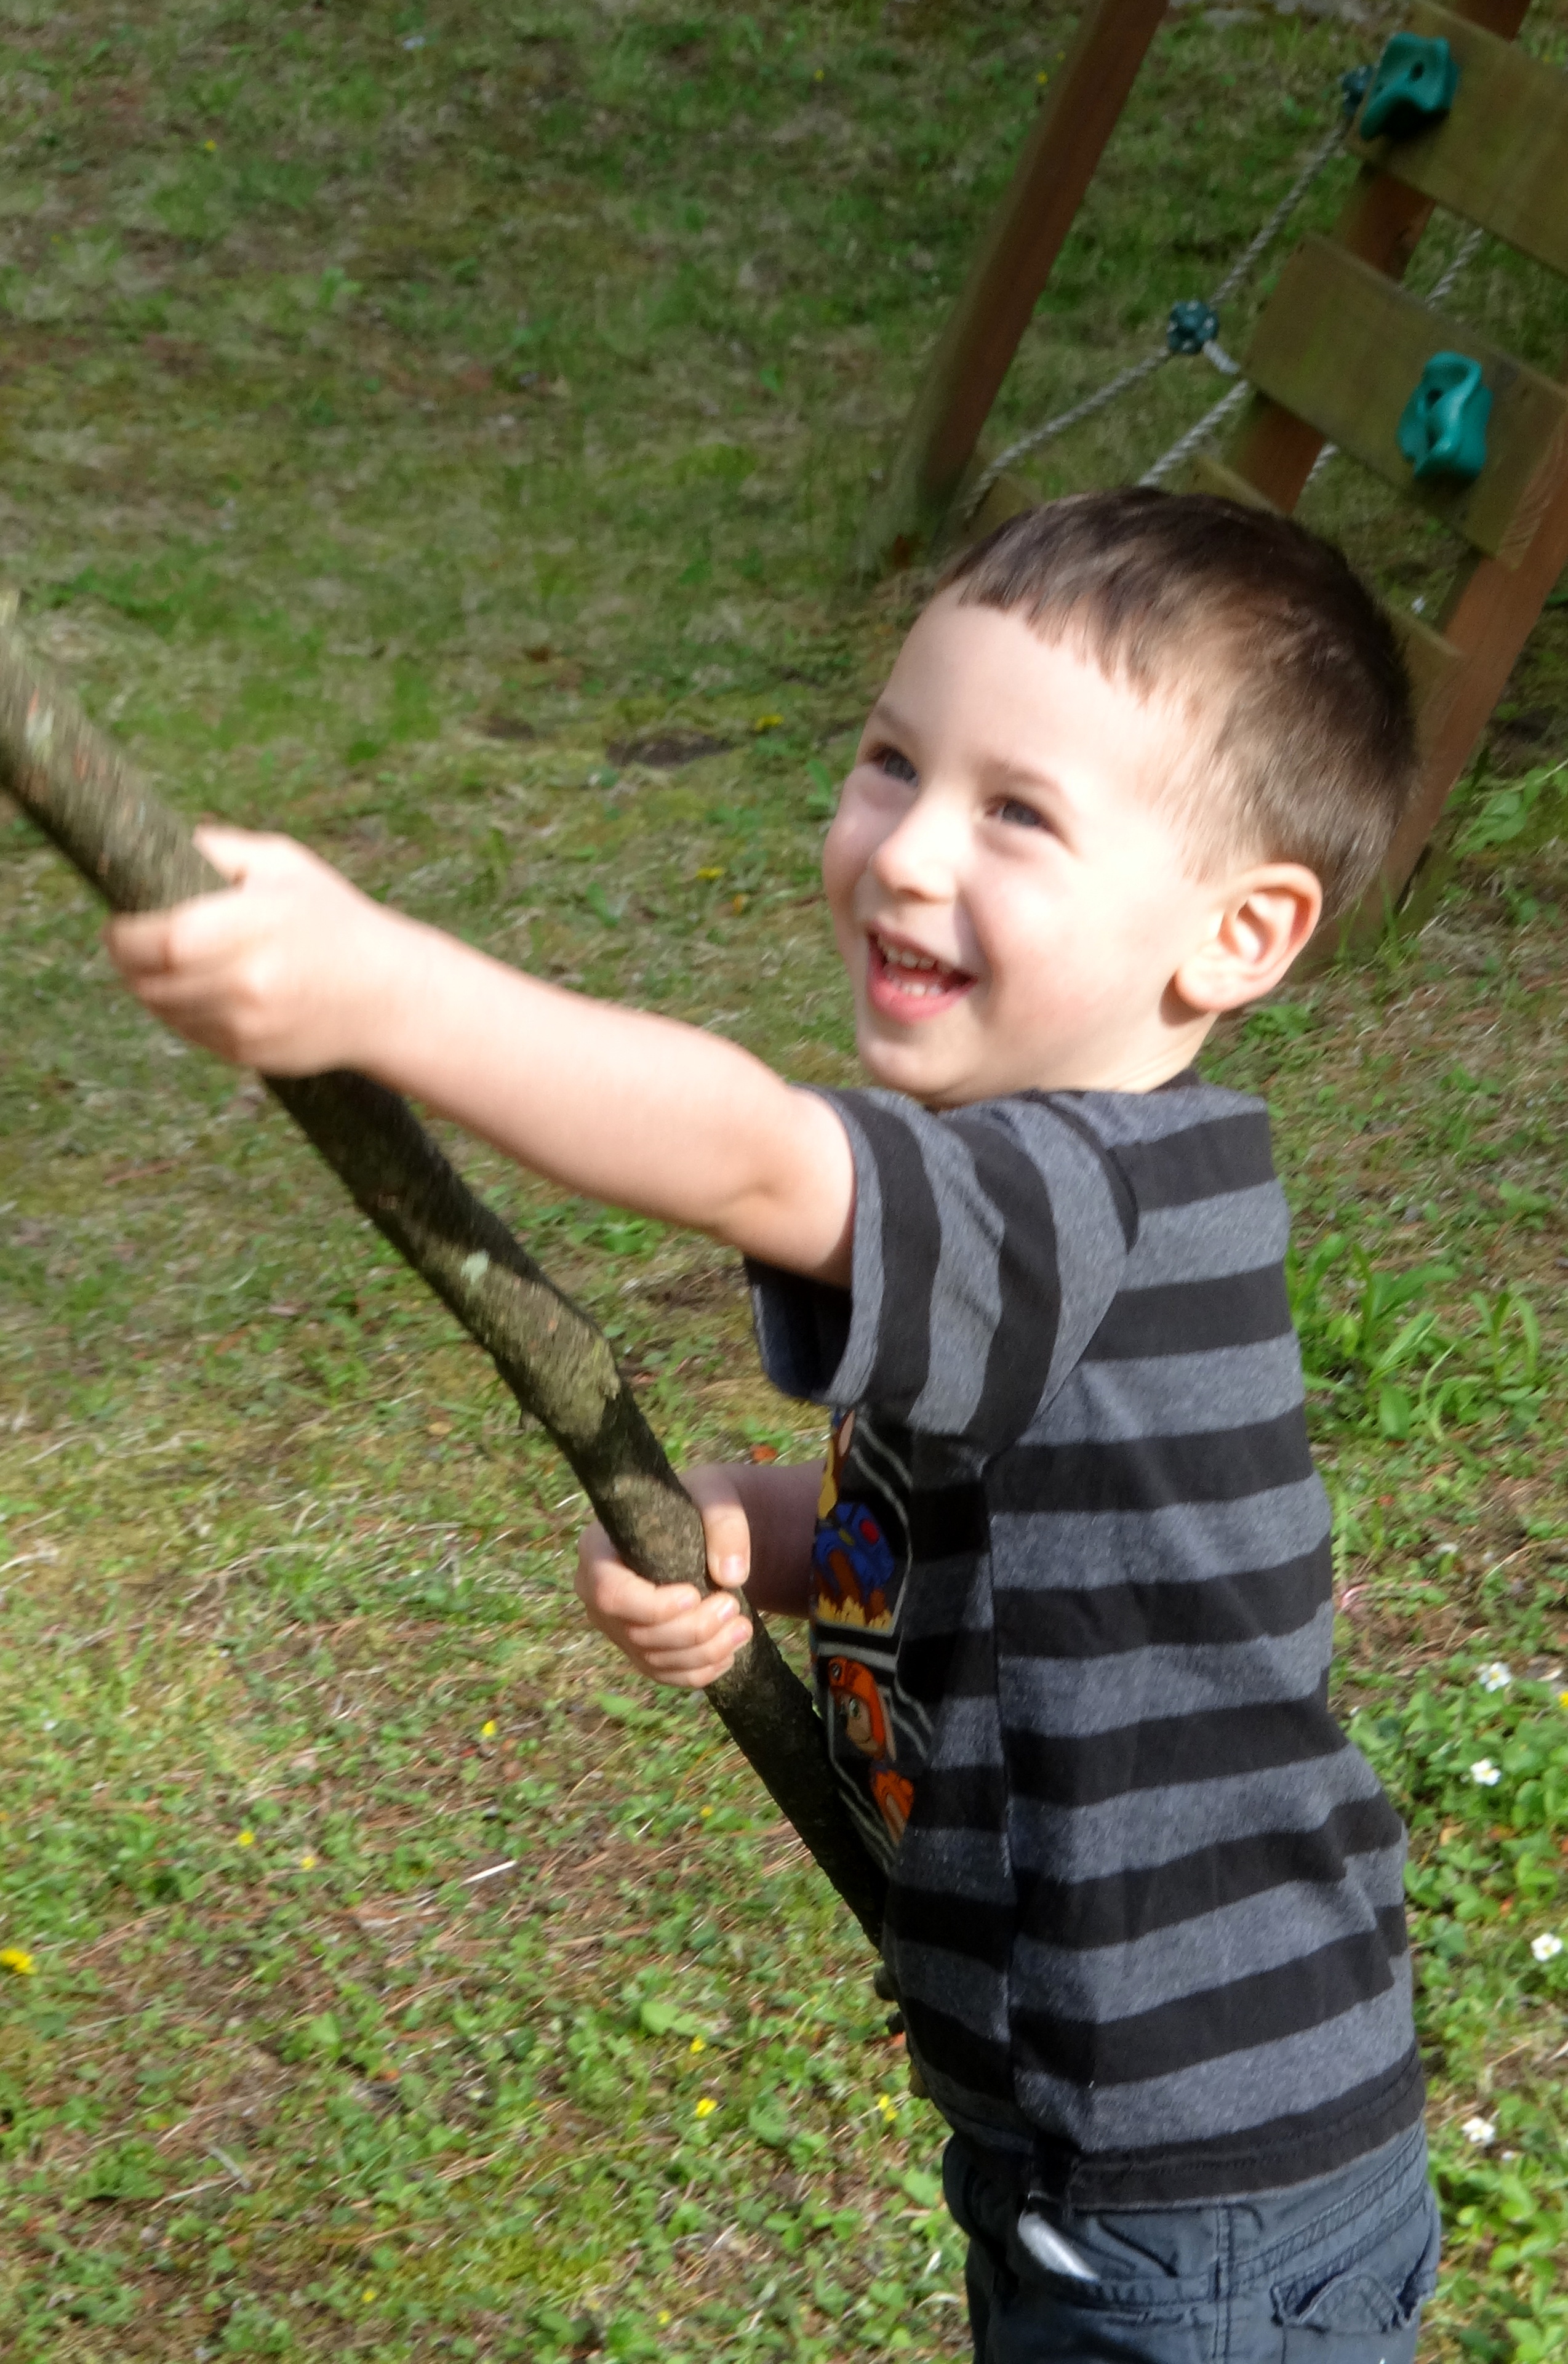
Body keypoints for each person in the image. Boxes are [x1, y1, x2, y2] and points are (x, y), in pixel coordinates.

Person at [109, 490, 1441, 2363]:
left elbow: (747, 1151)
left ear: (1237, 932)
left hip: (1192, 2198)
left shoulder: (1074, 1205)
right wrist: (755, 1530)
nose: (908, 851)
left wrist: (385, 990)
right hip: (1110, 2147)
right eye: (894, 762)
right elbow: (1011, 1557)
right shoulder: (1070, 1221)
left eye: (1017, 813)